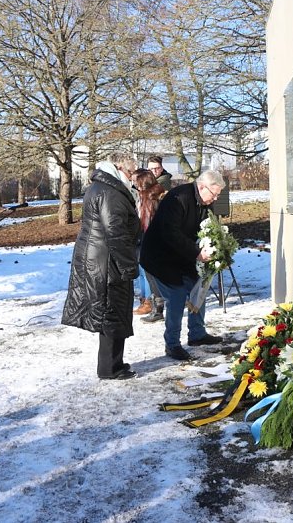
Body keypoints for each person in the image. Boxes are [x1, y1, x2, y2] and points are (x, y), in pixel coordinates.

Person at [62, 153, 140, 380]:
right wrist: (128, 265)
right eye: (130, 172)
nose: (132, 177)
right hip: (107, 261)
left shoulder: (103, 187)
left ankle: (113, 364)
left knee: (111, 311)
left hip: (103, 258)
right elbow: (115, 232)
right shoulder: (109, 191)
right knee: (111, 311)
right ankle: (110, 368)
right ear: (118, 168)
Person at [140, 170, 226, 360]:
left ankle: (197, 334)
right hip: (160, 257)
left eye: (218, 194)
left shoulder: (206, 203)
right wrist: (197, 252)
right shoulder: (178, 198)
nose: (216, 198)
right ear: (202, 186)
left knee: (199, 286)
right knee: (177, 295)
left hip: (183, 255)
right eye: (214, 194)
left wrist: (218, 247)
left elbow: (207, 230)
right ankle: (172, 344)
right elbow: (170, 233)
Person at [131, 168, 165, 318]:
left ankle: (157, 307)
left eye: (136, 182)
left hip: (152, 241)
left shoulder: (151, 198)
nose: (134, 186)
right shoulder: (149, 196)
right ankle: (155, 305)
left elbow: (150, 222)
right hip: (148, 240)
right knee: (149, 274)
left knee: (152, 275)